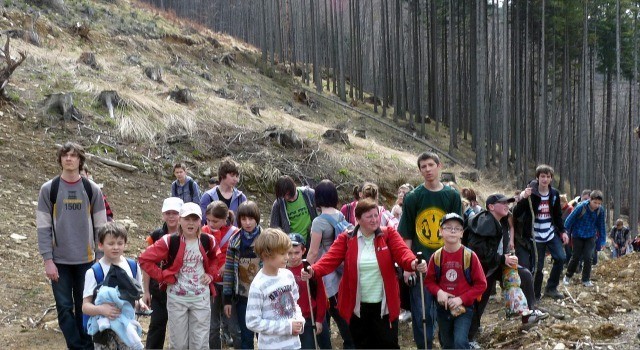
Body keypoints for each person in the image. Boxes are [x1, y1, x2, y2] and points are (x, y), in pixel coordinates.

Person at [303, 198, 428, 349]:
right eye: (369, 216)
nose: (374, 220)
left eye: (376, 215)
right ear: (358, 219)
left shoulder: (388, 235)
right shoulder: (347, 238)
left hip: (384, 306)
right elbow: (329, 260)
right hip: (358, 308)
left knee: (388, 345)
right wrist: (313, 270)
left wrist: (414, 263)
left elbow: (403, 253)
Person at [36, 141, 108, 350]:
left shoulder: (91, 188)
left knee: (85, 306)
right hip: (59, 261)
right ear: (60, 159)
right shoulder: (49, 189)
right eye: (65, 155)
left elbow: (101, 226)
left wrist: (100, 258)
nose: (69, 158)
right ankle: (76, 347)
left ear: (80, 160)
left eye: (73, 155)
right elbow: (43, 228)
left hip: (86, 260)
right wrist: (47, 260)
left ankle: (87, 344)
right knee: (65, 307)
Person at [397, 151, 462, 349]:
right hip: (421, 264)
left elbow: (458, 230)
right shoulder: (413, 197)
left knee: (448, 309)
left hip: (447, 262)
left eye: (430, 165)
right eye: (423, 167)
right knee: (421, 313)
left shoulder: (451, 196)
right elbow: (406, 234)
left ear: (439, 166)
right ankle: (424, 346)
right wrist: (408, 266)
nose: (427, 170)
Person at [466, 194, 548, 345]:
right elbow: (478, 253)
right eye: (502, 203)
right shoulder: (483, 223)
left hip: (496, 265)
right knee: (478, 303)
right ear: (491, 206)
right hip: (481, 270)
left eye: (508, 203)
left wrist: (508, 257)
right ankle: (469, 339)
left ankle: (528, 313)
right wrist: (503, 259)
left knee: (524, 275)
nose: (507, 205)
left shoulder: (502, 221)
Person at [139, 202, 220, 349]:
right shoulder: (169, 241)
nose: (190, 223)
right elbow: (144, 259)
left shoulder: (208, 240)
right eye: (186, 218)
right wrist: (162, 276)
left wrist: (211, 274)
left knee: (200, 344)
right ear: (180, 220)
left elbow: (216, 258)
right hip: (177, 299)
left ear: (200, 221)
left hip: (201, 298)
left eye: (194, 219)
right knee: (179, 344)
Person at [424, 213, 487, 350]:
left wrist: (461, 299)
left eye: (457, 228)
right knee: (447, 343)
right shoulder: (436, 257)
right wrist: (439, 292)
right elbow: (429, 281)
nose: (453, 231)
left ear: (462, 233)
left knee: (460, 341)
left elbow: (481, 284)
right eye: (448, 227)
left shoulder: (470, 256)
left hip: (463, 308)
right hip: (443, 308)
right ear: (441, 231)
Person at [82, 222, 148, 349]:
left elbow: (137, 295)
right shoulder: (94, 272)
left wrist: (140, 303)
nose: (116, 247)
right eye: (111, 243)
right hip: (103, 333)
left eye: (120, 243)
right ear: (100, 245)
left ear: (125, 244)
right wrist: (101, 310)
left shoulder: (133, 267)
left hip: (128, 328)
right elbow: (85, 306)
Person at [306, 180, 354, 348]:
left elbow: (312, 252)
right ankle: (350, 342)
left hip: (325, 272)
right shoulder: (341, 216)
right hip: (341, 269)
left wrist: (305, 270)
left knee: (326, 310)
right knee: (341, 312)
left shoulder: (319, 222)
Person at [513, 165, 568, 300]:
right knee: (538, 266)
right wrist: (524, 198)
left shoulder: (554, 194)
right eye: (542, 176)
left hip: (549, 232)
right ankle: (535, 294)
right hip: (535, 235)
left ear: (551, 179)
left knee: (561, 258)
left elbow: (557, 214)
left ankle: (551, 288)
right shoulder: (531, 193)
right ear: (537, 178)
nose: (545, 179)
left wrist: (563, 231)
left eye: (548, 176)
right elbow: (516, 213)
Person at [245, 228, 305, 349]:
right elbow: (252, 322)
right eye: (282, 254)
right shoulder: (258, 285)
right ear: (266, 255)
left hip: (294, 345)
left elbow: (295, 304)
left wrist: (299, 321)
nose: (287, 257)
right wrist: (287, 327)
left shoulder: (288, 275)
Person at [141, 197, 183, 350]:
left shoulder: (188, 235)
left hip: (181, 292)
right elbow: (146, 263)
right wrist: (145, 291)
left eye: (175, 213)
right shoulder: (156, 235)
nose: (171, 216)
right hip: (159, 292)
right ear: (163, 215)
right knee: (156, 326)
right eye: (168, 213)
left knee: (179, 331)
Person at [223, 201, 263, 349]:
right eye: (243, 219)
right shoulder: (234, 241)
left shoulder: (266, 238)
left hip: (264, 298)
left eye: (251, 219)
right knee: (246, 338)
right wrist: (227, 299)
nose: (247, 223)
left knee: (264, 337)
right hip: (242, 299)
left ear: (256, 218)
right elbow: (228, 272)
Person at [202, 201, 241, 349]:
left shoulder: (235, 233)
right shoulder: (203, 231)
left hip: (228, 285)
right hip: (210, 285)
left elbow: (239, 256)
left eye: (215, 221)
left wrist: (228, 264)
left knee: (234, 327)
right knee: (212, 326)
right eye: (209, 220)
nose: (211, 224)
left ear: (225, 219)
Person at [287, 233, 332, 349]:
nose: (293, 257)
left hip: (313, 315)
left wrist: (319, 320)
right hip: (295, 319)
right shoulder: (283, 271)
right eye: (289, 253)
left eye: (296, 253)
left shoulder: (310, 269)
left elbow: (321, 295)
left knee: (325, 345)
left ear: (303, 251)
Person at [564, 190, 606, 287]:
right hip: (577, 234)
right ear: (590, 200)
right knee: (576, 257)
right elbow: (569, 219)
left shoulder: (600, 210)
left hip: (591, 235)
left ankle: (586, 279)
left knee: (588, 257)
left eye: (599, 203)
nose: (596, 205)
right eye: (595, 202)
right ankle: (568, 276)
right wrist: (565, 231)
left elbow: (601, 226)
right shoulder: (581, 207)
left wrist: (602, 240)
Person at [269, 175, 317, 243]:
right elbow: (273, 229)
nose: (287, 198)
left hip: (311, 240)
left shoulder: (309, 194)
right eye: (284, 196)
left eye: (290, 194)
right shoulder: (278, 204)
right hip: (290, 244)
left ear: (294, 187)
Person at [200, 157, 247, 225]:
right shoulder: (208, 196)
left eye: (237, 176)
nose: (235, 179)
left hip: (235, 235)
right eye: (232, 175)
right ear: (222, 175)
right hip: (212, 234)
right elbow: (201, 222)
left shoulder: (241, 198)